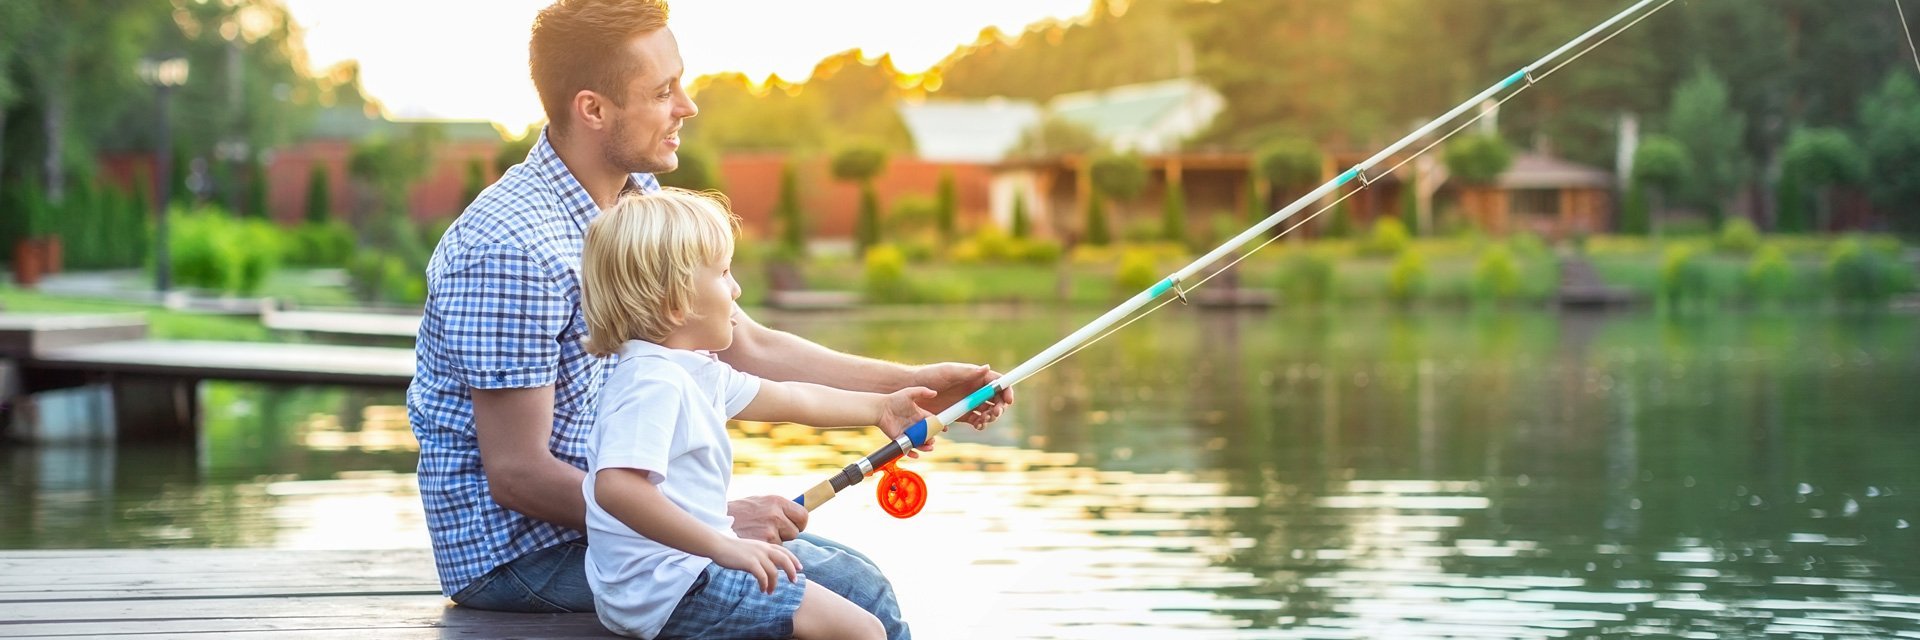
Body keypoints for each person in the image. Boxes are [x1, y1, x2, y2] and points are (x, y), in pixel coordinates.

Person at [404, 0, 1010, 635]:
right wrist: (712, 524)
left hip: (616, 524)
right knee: (855, 590)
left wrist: (908, 385)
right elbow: (519, 475)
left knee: (853, 573)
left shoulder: (638, 199)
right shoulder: (511, 248)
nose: (687, 106)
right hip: (521, 555)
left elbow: (746, 343)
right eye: (664, 91)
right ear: (593, 108)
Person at [581, 188, 913, 639]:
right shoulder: (652, 382)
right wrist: (724, 547)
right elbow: (617, 487)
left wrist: (881, 407)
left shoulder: (693, 371)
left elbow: (795, 399)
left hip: (686, 573)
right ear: (676, 302)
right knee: (862, 631)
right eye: (723, 273)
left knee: (858, 603)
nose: (736, 289)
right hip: (671, 588)